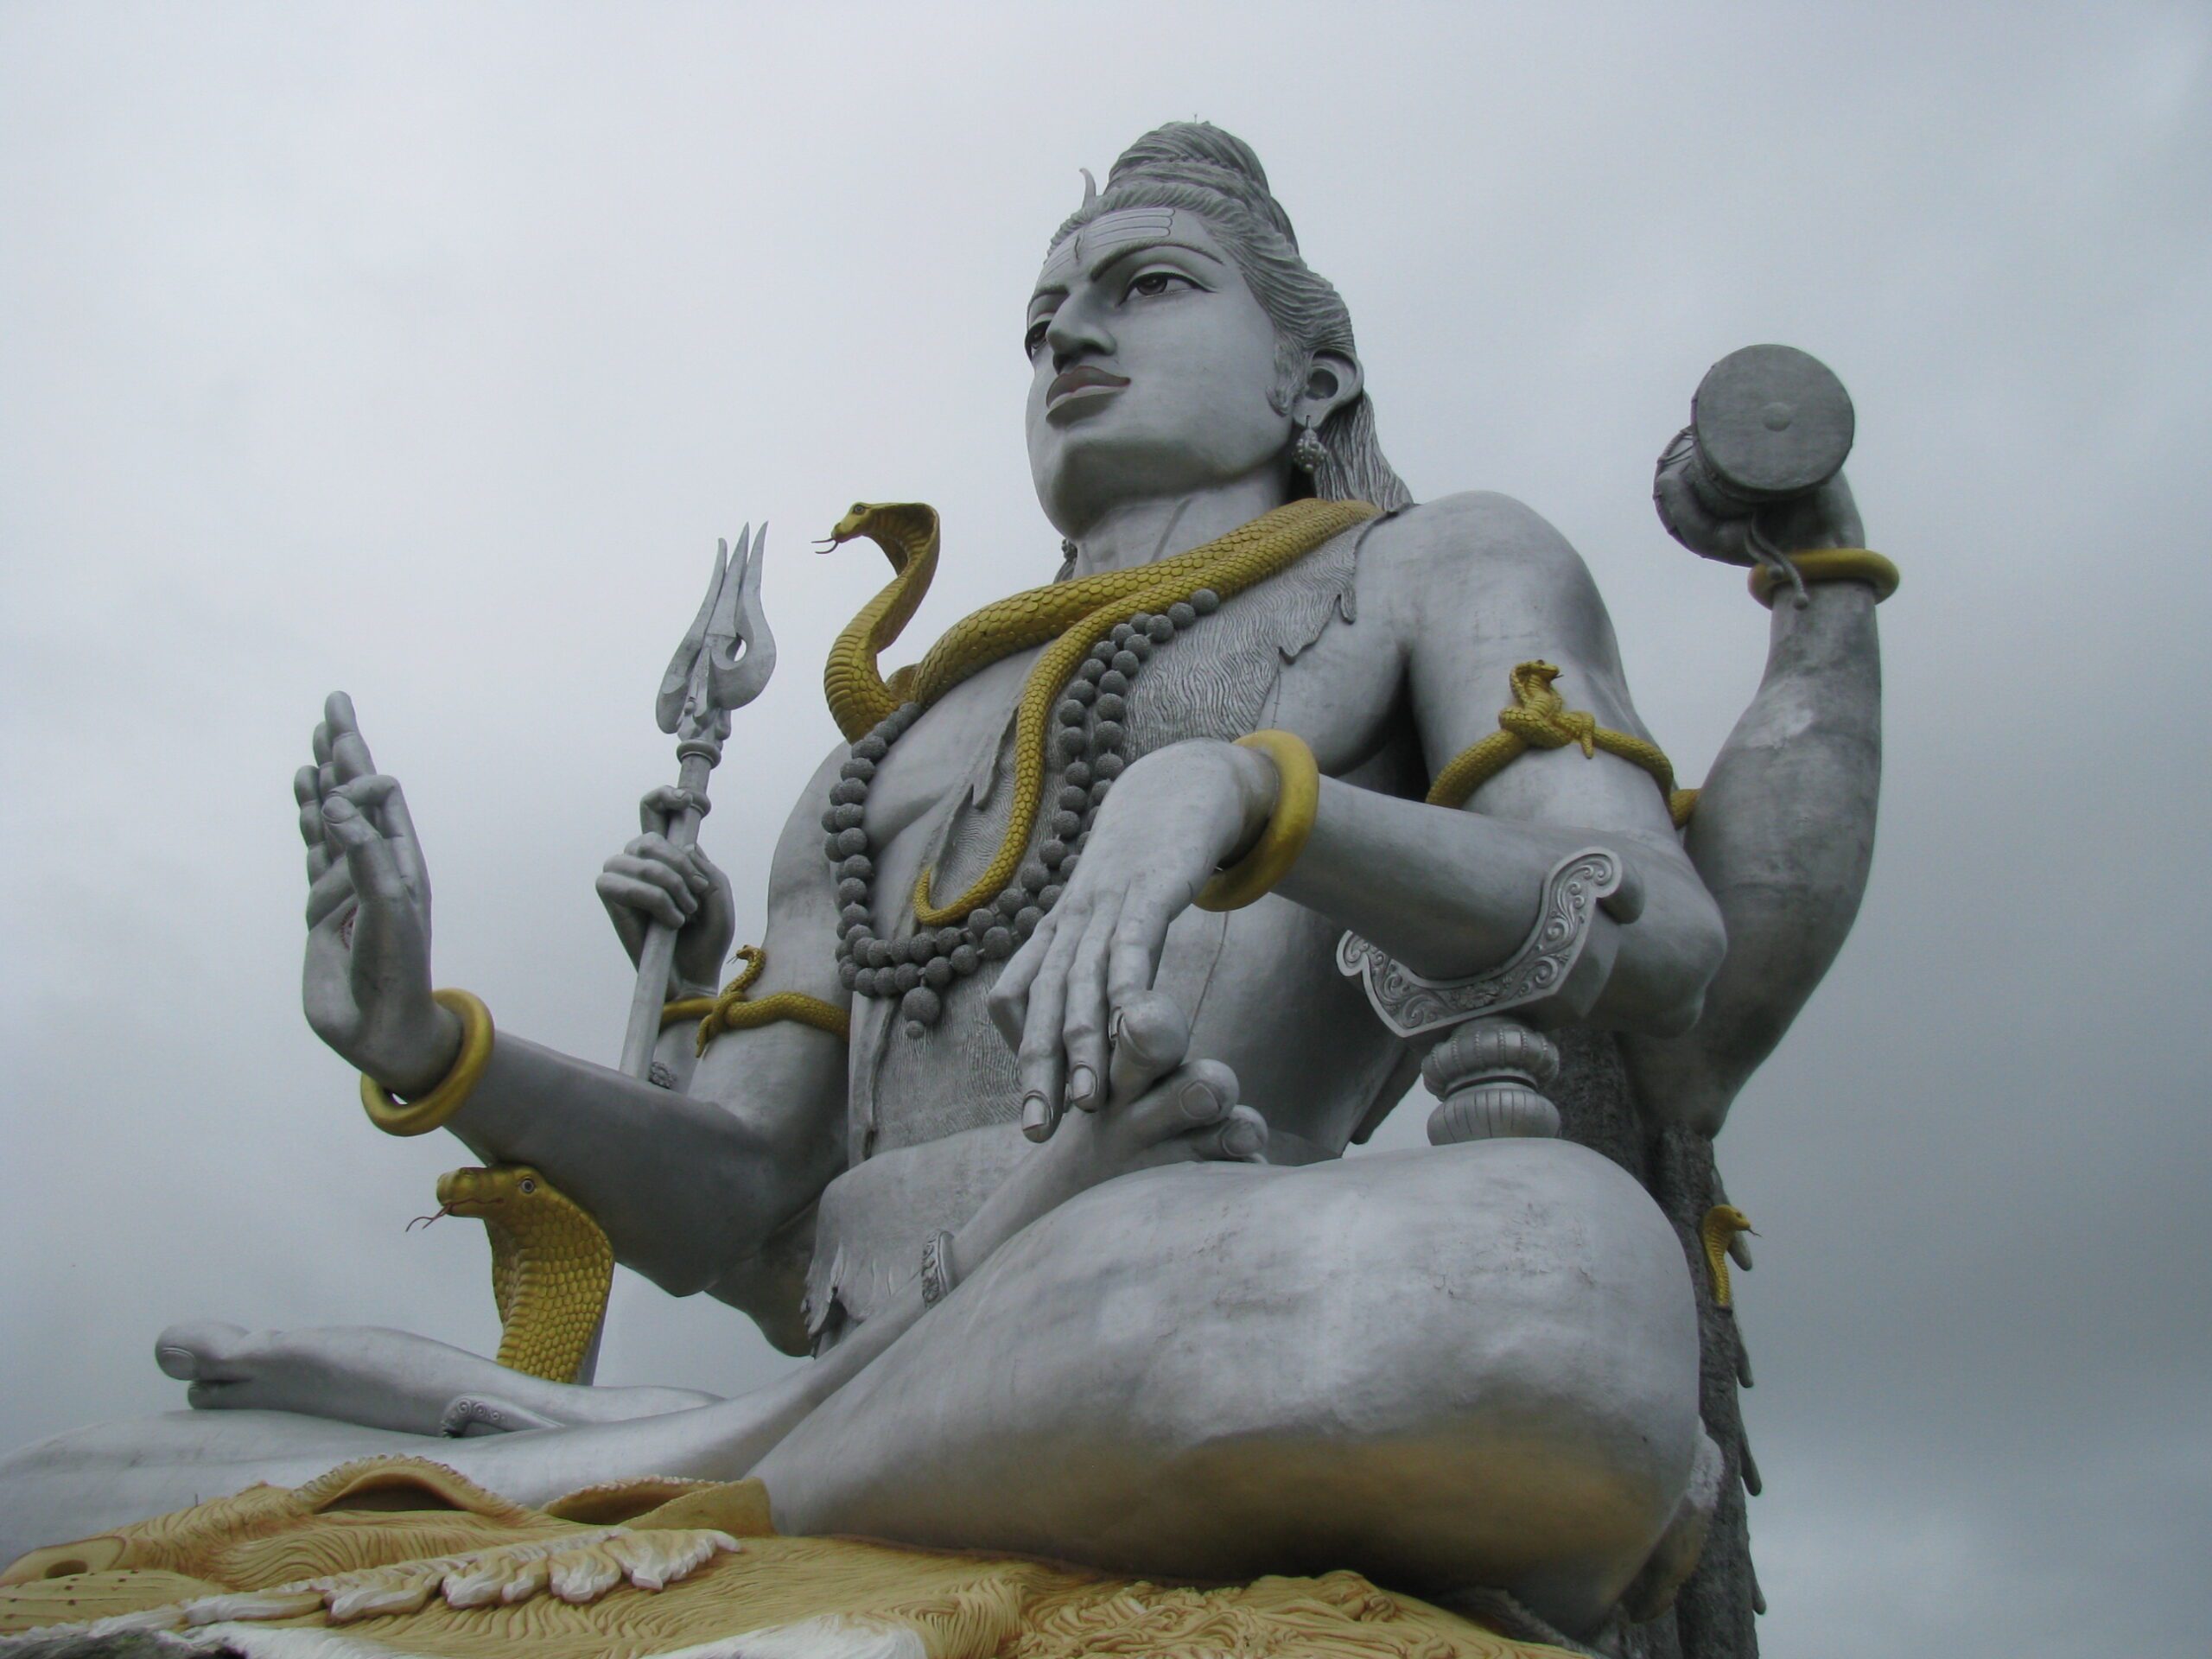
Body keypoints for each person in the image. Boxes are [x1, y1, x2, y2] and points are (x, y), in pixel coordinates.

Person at [0, 124, 1880, 1642]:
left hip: (1176, 1266)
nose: (1066, 337)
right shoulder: (872, 754)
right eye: (1044, 313)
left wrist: (1257, 797)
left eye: (1142, 290)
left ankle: (649, 1462)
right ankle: (758, 1455)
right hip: (975, 1380)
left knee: (1541, 1286)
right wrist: (435, 1040)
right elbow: (747, 1195)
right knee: (56, 1491)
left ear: (1313, 369)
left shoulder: (1431, 567)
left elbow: (1649, 922)